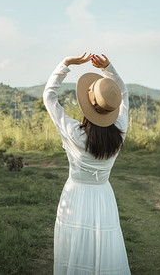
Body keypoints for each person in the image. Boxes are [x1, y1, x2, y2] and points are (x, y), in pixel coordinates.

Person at [43, 53, 131, 274]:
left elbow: (49, 97)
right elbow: (125, 95)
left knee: (74, 248)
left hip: (75, 195)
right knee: (103, 250)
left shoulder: (74, 133)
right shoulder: (119, 131)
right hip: (103, 196)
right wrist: (109, 69)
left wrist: (65, 64)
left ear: (87, 105)